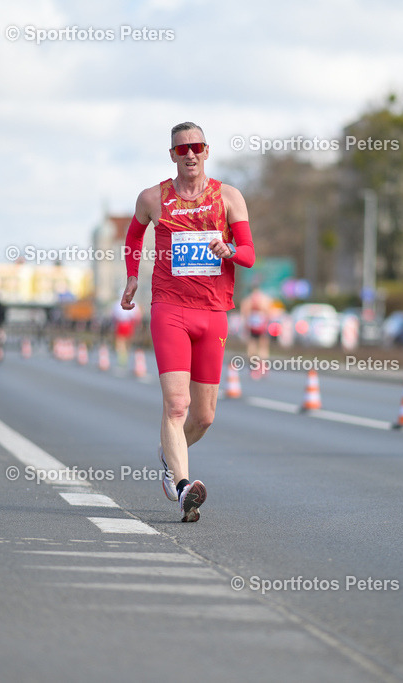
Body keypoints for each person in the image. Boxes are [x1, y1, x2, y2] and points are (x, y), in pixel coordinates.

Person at [120, 121, 256, 522]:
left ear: (207, 150)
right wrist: (132, 277)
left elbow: (248, 254)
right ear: (173, 155)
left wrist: (227, 247)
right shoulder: (153, 197)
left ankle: (167, 456)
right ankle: (182, 488)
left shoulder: (229, 197)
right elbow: (132, 238)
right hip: (170, 309)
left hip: (213, 312)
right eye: (182, 149)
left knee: (203, 417)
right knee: (176, 405)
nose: (190, 154)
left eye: (196, 147)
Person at [240, 282, 272, 379]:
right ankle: (262, 366)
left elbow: (244, 313)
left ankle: (254, 366)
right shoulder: (265, 298)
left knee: (252, 345)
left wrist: (246, 325)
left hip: (252, 325)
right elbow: (269, 312)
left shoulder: (248, 299)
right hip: (262, 325)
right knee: (263, 346)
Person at [112, 296, 141, 368]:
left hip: (121, 324)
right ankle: (125, 355)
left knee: (121, 342)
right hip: (128, 324)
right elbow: (137, 316)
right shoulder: (134, 303)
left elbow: (114, 316)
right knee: (126, 342)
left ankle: (123, 356)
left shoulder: (117, 304)